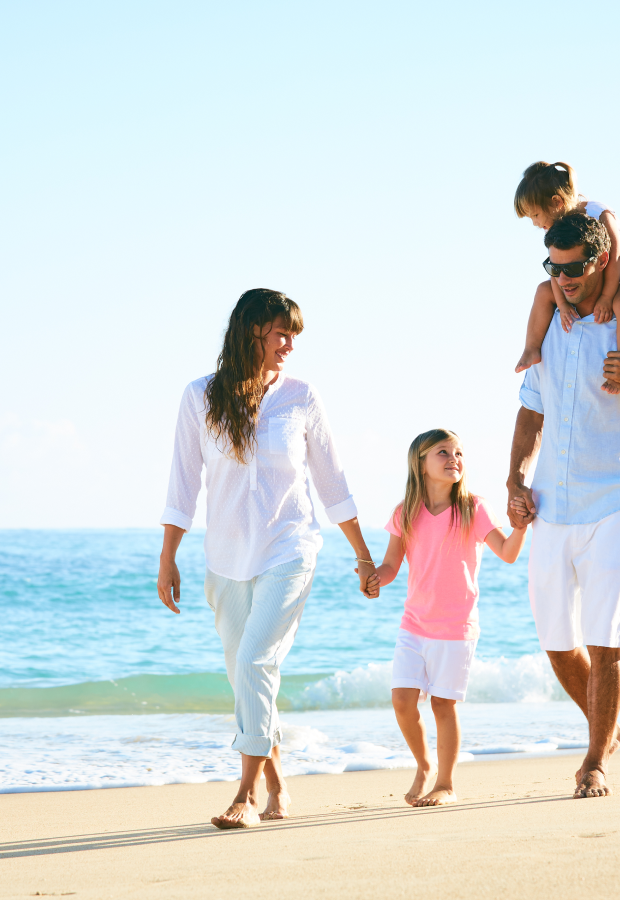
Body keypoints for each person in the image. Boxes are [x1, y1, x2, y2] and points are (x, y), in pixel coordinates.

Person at [157, 288, 377, 829]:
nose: (289, 345)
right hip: (226, 558)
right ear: (251, 331)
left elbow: (332, 481)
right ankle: (278, 782)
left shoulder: (302, 396)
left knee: (256, 662)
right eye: (282, 333)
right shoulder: (199, 396)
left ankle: (245, 795)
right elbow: (183, 483)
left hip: (290, 548)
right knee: (245, 677)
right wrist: (168, 557)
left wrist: (364, 557)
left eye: (294, 335)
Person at [506, 212, 620, 798]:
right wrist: (515, 476)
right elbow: (531, 408)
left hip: (617, 498)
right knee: (559, 644)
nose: (563, 280)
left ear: (600, 262)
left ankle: (594, 764)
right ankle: (607, 730)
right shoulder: (549, 327)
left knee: (606, 640)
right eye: (552, 269)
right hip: (553, 505)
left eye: (574, 269)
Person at [365, 429, 528, 807]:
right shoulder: (405, 511)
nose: (454, 458)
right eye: (443, 452)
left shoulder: (472, 507)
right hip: (414, 625)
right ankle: (423, 766)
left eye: (458, 453)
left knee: (442, 705)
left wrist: (521, 527)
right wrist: (376, 579)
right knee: (402, 701)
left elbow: (506, 553)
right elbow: (391, 565)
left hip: (456, 629)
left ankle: (446, 783)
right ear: (420, 463)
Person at [512, 161, 620, 396]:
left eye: (535, 215)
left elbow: (615, 256)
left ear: (556, 202)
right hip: (587, 272)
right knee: (542, 291)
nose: (535, 223)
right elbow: (557, 270)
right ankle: (531, 348)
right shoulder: (558, 228)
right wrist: (563, 305)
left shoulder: (597, 211)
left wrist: (608, 297)